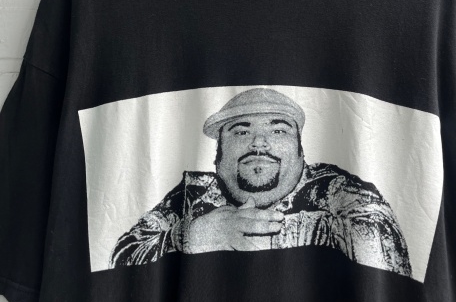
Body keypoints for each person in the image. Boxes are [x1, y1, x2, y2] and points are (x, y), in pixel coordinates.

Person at [110, 87, 411, 271]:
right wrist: (186, 237)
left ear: (300, 150)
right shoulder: (193, 192)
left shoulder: (336, 188)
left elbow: (385, 258)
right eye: (241, 131)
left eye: (277, 130)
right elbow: (121, 257)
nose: (258, 143)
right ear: (219, 152)